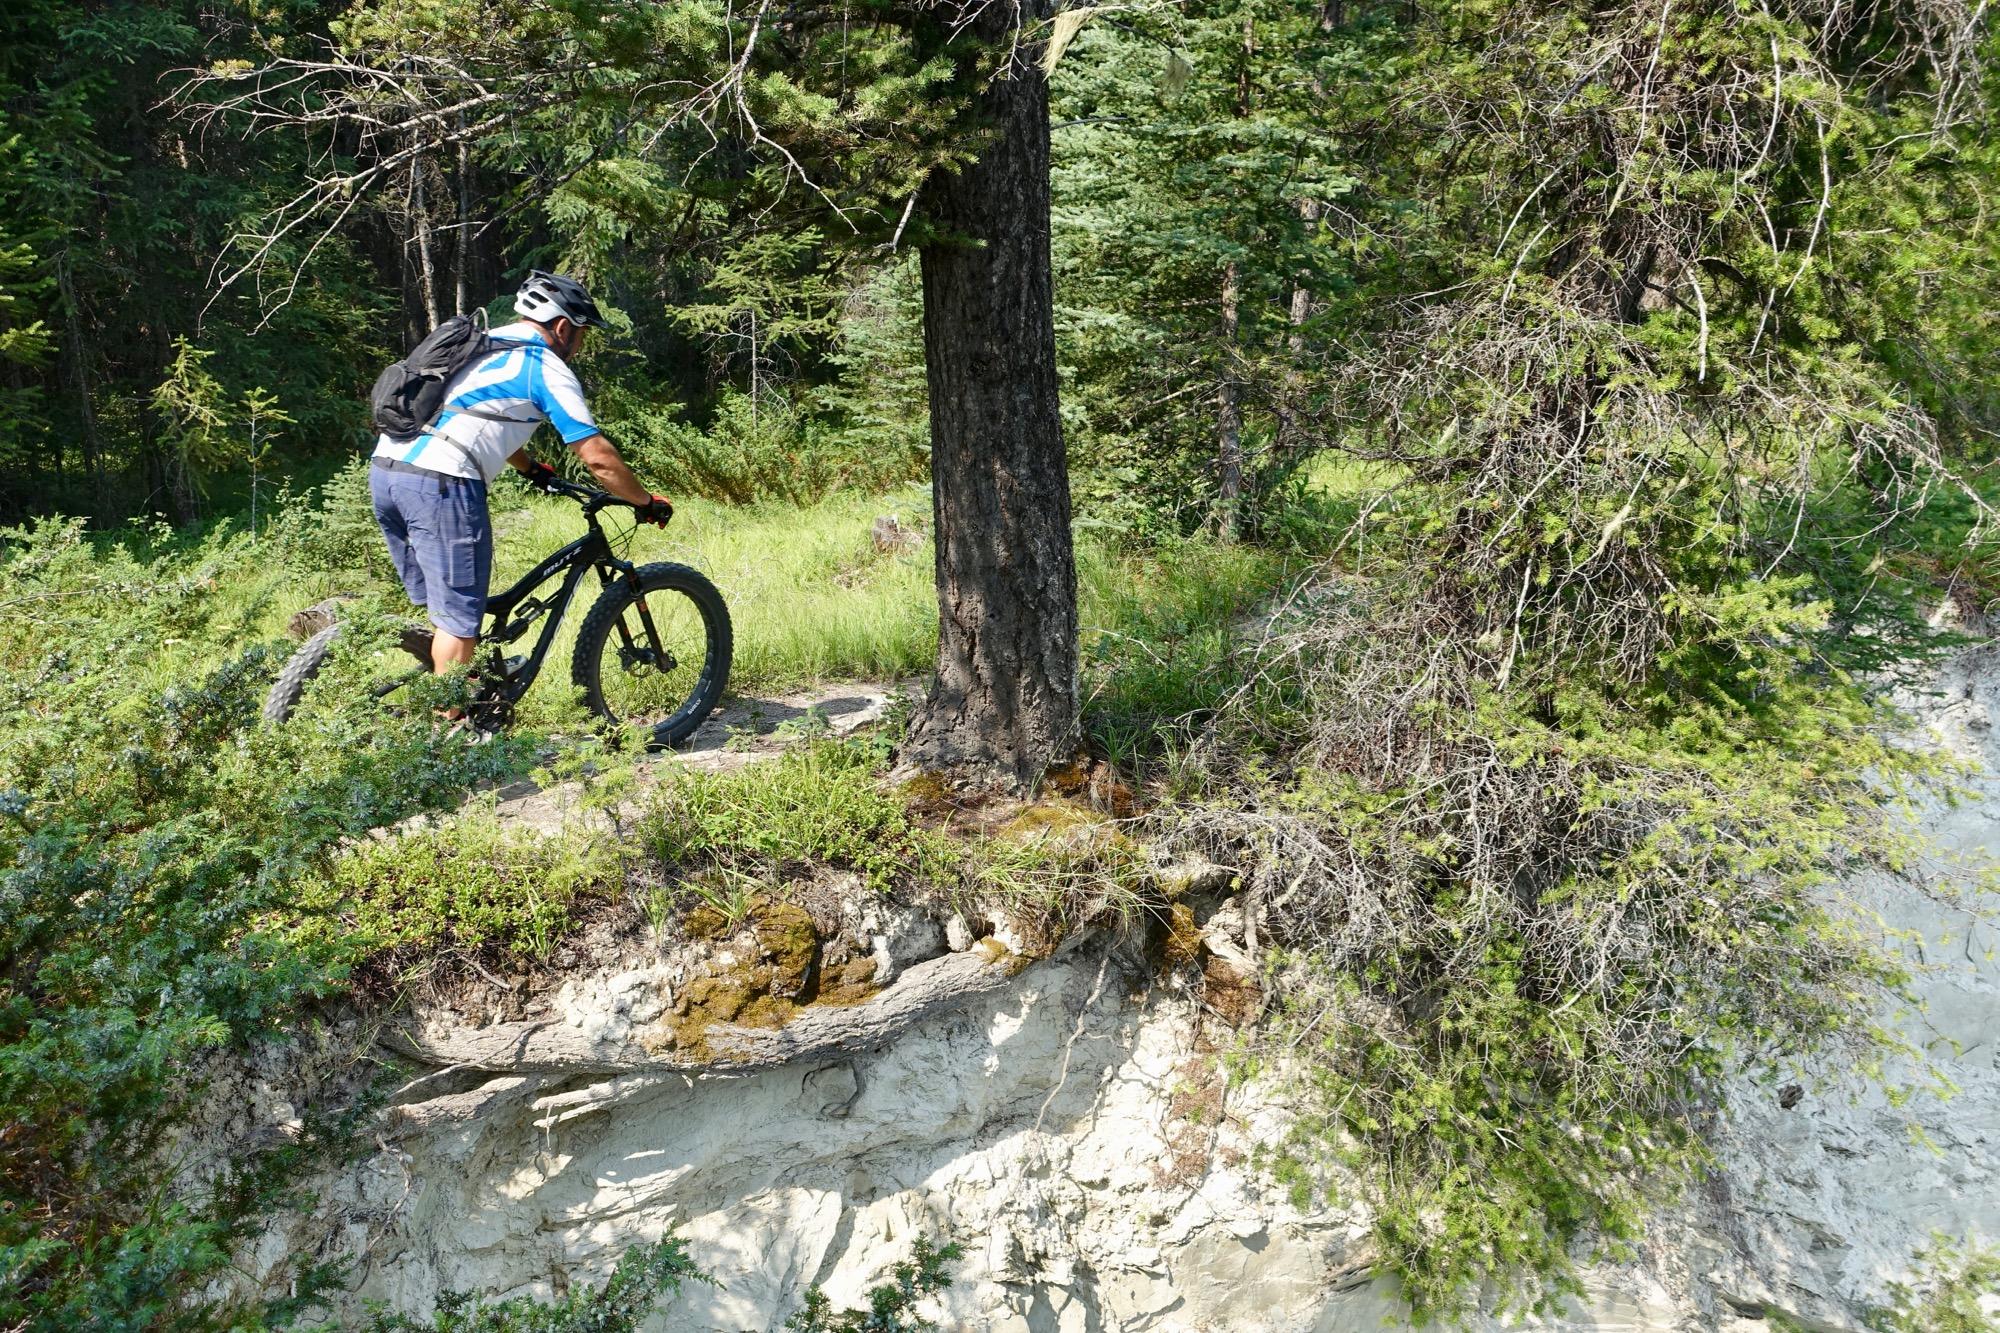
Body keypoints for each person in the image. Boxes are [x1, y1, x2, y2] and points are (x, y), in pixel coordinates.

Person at [369, 271, 670, 673]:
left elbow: (473, 415)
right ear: (563, 327)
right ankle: (448, 729)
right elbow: (596, 456)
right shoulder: (542, 366)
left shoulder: (480, 345)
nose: (579, 346)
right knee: (460, 622)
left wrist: (530, 468)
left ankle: (459, 683)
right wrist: (646, 502)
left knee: (449, 610)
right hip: (441, 484)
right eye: (582, 334)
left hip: (387, 473)